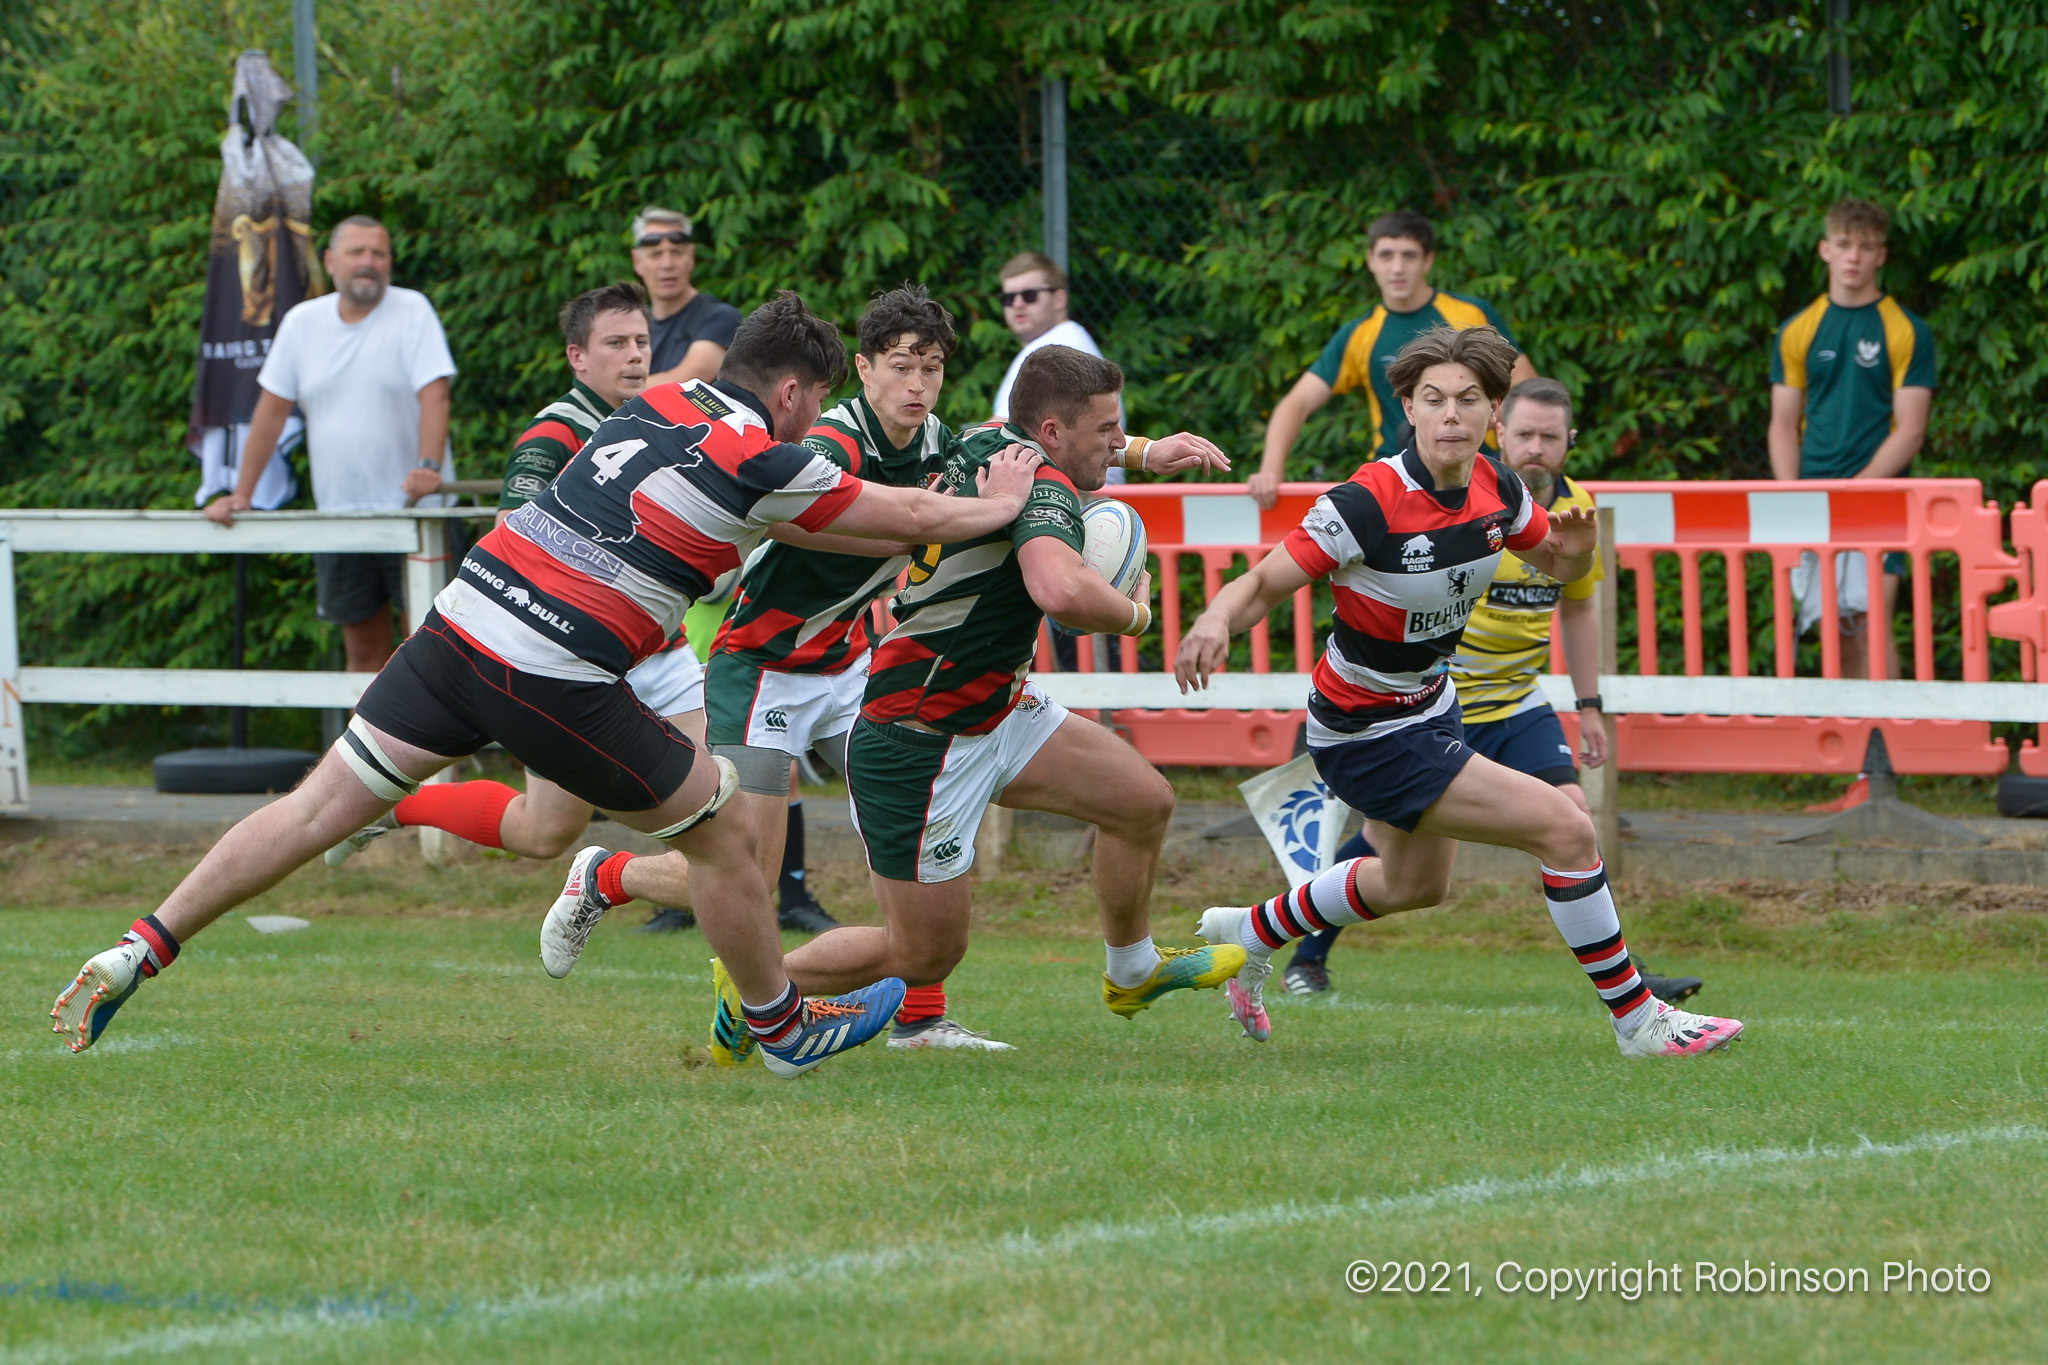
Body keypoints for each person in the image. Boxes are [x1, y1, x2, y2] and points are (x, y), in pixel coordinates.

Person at [54, 293, 1045, 1083]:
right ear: (795, 392)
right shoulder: (763, 453)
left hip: (460, 622)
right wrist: (1000, 502)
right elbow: (906, 508)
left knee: (318, 805)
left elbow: (800, 520)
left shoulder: (654, 403)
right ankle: (781, 1025)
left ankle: (142, 945)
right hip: (551, 664)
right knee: (724, 829)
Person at [1175, 325, 1741, 1058]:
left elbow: (1560, 566)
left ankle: (1249, 930)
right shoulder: (1367, 500)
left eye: (1469, 399)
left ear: (1493, 414)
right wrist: (1216, 617)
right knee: (1568, 829)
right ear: (1407, 407)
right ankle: (1640, 1021)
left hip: (1435, 707)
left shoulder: (1498, 488)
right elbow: (1262, 581)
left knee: (1413, 884)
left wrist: (1575, 554)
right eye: (1433, 399)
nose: (1451, 415)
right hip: (1364, 730)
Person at [720, 344, 1245, 1059]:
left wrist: (1146, 454)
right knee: (925, 952)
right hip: (919, 739)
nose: (1119, 442)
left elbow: (1068, 445)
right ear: (1053, 435)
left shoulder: (985, 445)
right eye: (1110, 430)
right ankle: (756, 992)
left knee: (1140, 800)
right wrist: (1138, 612)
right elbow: (1060, 592)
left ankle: (1132, 971)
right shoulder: (1046, 489)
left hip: (991, 711)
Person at [1277, 378, 1704, 1008]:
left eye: (1549, 438)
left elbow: (1578, 608)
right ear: (1501, 431)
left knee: (1571, 824)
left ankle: (1626, 979)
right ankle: (1305, 956)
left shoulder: (1573, 512)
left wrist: (1588, 707)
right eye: (1524, 434)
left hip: (1521, 701)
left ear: (1569, 443)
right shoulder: (1473, 501)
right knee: (1393, 849)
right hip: (1437, 707)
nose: (1534, 448)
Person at [323, 282, 700, 929]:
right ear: (577, 357)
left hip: (663, 656)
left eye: (641, 341)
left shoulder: (665, 416)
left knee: (727, 827)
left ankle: (751, 996)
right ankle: (397, 807)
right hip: (576, 665)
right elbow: (513, 533)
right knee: (545, 831)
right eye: (616, 343)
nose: (635, 355)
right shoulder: (554, 435)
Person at [703, 285, 1000, 1049]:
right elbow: (793, 520)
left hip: (847, 671)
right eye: (901, 366)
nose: (917, 384)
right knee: (748, 872)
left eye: (931, 368)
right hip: (763, 665)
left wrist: (1137, 450)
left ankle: (920, 1018)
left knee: (911, 822)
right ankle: (607, 876)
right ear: (863, 370)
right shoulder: (833, 442)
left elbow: (1024, 445)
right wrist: (911, 534)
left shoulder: (939, 441)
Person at [204, 215, 457, 673]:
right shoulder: (303, 322)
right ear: (330, 261)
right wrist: (242, 494)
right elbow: (270, 412)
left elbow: (435, 393)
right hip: (341, 516)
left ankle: (441, 749)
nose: (369, 263)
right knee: (362, 652)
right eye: (357, 252)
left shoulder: (412, 309)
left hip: (419, 515)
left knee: (429, 652)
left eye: (379, 253)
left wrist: (427, 465)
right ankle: (364, 748)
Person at [1769, 197, 1936, 812]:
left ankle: (1882, 773)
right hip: (1813, 502)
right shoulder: (1799, 328)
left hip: (1878, 500)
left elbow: (1910, 429)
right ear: (1825, 249)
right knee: (1836, 634)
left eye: (1866, 247)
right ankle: (1857, 774)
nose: (1854, 257)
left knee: (1871, 625)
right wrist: (1792, 500)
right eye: (1844, 244)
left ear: (1881, 256)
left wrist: (1858, 493)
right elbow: (1782, 425)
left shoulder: (1906, 328)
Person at [1247, 210, 1536, 513]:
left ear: (1428, 260)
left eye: (1409, 256)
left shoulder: (1472, 315)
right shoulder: (1360, 334)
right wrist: (1270, 469)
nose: (1397, 268)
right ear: (1371, 261)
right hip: (1394, 482)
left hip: (1475, 472)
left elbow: (1525, 391)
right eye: (1386, 255)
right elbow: (1297, 402)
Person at [631, 207, 742, 388]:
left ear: (691, 257)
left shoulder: (721, 319)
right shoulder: (635, 328)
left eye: (677, 252)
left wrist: (613, 392)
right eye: (656, 254)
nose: (667, 264)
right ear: (637, 262)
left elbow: (683, 382)